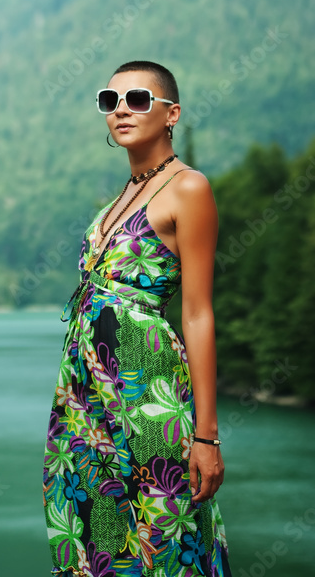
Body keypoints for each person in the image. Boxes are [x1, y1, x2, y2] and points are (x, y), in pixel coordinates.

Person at [43, 60, 232, 576]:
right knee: (100, 538)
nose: (121, 109)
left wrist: (207, 435)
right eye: (111, 101)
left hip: (148, 394)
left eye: (138, 100)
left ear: (171, 114)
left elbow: (197, 313)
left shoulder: (189, 189)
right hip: (88, 398)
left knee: (163, 535)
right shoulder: (119, 198)